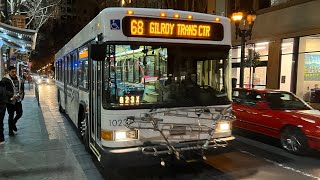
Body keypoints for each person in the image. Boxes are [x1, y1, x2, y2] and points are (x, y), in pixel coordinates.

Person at [2, 66, 25, 136]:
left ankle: (13, 123)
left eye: (15, 71)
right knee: (11, 115)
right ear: (9, 72)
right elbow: (3, 91)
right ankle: (10, 131)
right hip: (10, 100)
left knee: (20, 113)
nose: (14, 73)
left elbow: (21, 88)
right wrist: (12, 95)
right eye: (12, 72)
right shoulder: (5, 80)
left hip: (18, 99)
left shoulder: (19, 78)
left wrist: (22, 95)